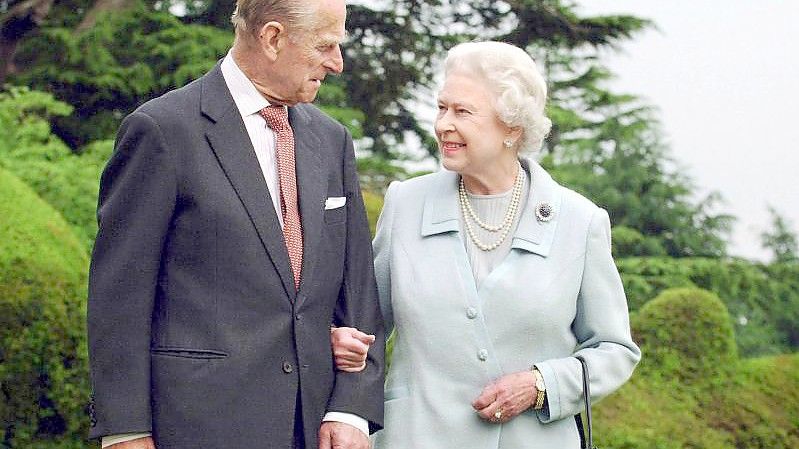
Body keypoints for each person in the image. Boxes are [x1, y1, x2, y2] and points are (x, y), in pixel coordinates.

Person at [86, 1, 384, 448]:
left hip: (315, 429)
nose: (337, 64)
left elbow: (358, 291)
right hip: (197, 427)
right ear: (272, 37)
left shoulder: (332, 139)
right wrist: (125, 432)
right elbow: (119, 298)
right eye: (326, 46)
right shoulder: (161, 130)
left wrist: (351, 409)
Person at [333, 41, 641, 449]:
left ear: (511, 127)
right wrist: (339, 339)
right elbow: (364, 323)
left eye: (462, 112)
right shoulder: (406, 204)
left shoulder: (579, 222)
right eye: (442, 108)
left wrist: (542, 384)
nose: (444, 124)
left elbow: (614, 349)